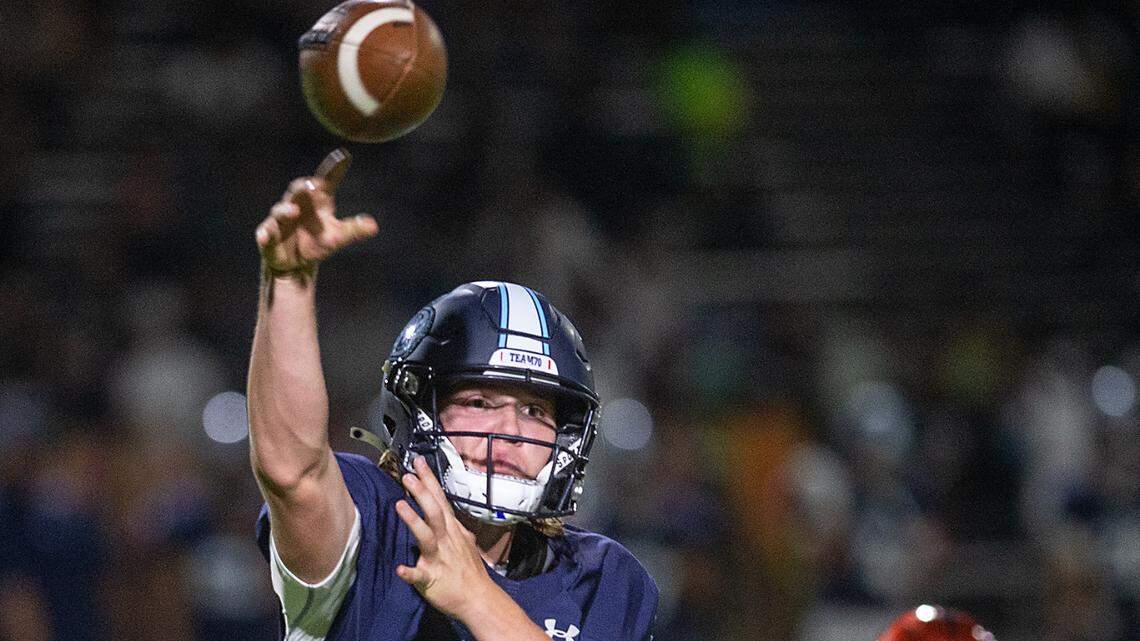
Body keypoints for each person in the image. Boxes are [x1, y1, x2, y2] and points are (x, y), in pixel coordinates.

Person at [247, 149, 659, 641]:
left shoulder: (604, 578)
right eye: (479, 403)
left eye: (534, 410)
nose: (510, 431)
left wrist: (475, 597)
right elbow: (292, 473)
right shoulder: (374, 522)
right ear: (420, 411)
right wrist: (289, 282)